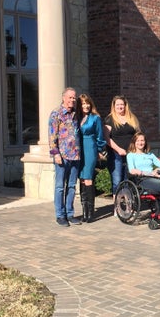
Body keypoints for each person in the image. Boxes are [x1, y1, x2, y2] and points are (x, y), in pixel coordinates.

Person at [126, 132, 160, 227]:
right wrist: (150, 173)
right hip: (143, 179)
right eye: (138, 140)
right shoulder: (131, 155)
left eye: (142, 140)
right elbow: (132, 170)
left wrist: (156, 170)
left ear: (145, 142)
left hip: (154, 176)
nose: (140, 142)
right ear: (134, 142)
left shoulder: (150, 154)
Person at [48, 87, 82, 227]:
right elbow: (52, 136)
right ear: (63, 98)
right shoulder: (56, 114)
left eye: (74, 98)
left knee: (72, 186)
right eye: (70, 97)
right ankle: (60, 215)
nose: (72, 100)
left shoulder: (75, 114)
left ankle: (70, 213)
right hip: (62, 156)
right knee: (60, 187)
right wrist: (55, 153)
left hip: (75, 155)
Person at [77, 94, 106, 222]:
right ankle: (84, 211)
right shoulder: (77, 118)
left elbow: (100, 136)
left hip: (90, 148)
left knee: (88, 178)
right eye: (83, 103)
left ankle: (90, 212)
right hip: (78, 150)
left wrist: (100, 151)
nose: (86, 106)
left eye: (87, 103)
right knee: (82, 179)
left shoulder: (95, 118)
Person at [105, 95, 140, 195]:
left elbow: (138, 135)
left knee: (129, 179)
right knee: (117, 181)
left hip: (131, 154)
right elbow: (107, 138)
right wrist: (119, 149)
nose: (120, 107)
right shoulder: (109, 119)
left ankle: (128, 206)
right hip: (115, 154)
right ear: (114, 106)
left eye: (122, 104)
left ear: (125, 105)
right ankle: (117, 208)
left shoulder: (132, 118)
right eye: (118, 105)